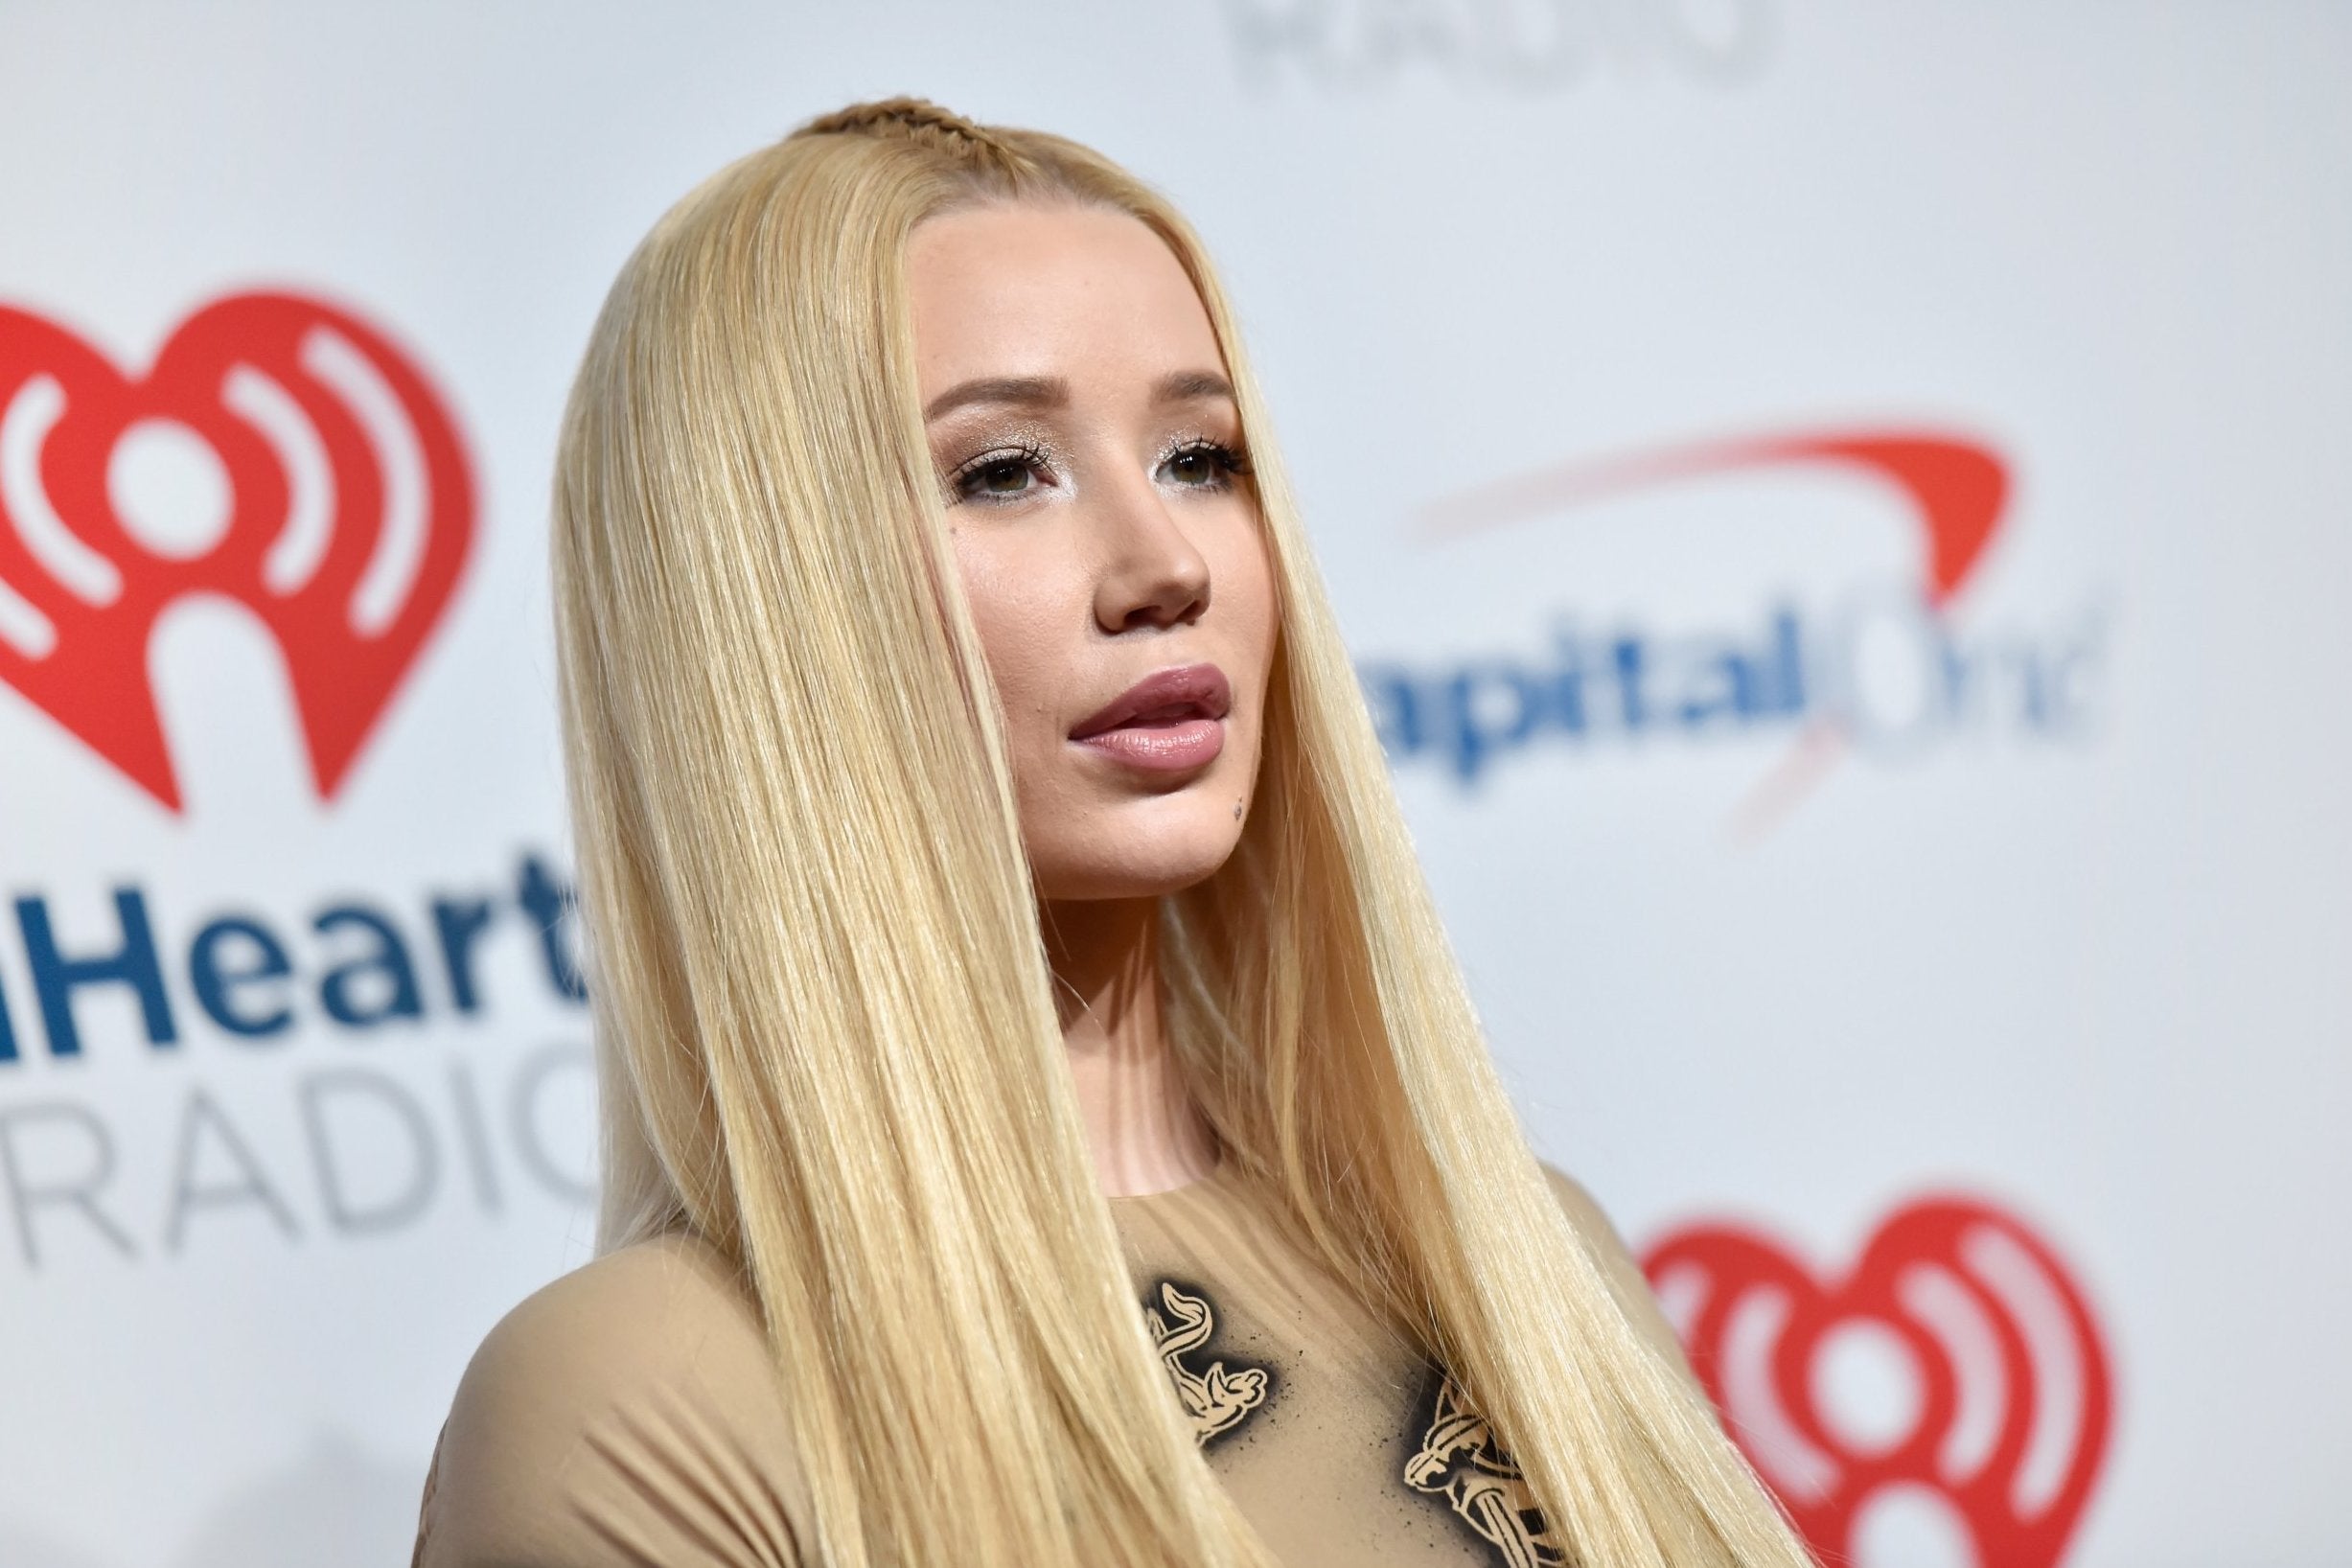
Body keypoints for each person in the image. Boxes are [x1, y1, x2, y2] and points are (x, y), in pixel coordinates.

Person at [410, 98, 1814, 1568]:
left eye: (1201, 458)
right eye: (1002, 469)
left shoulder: (1534, 1261)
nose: (1162, 566)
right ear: (762, 602)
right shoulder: (645, 1404)